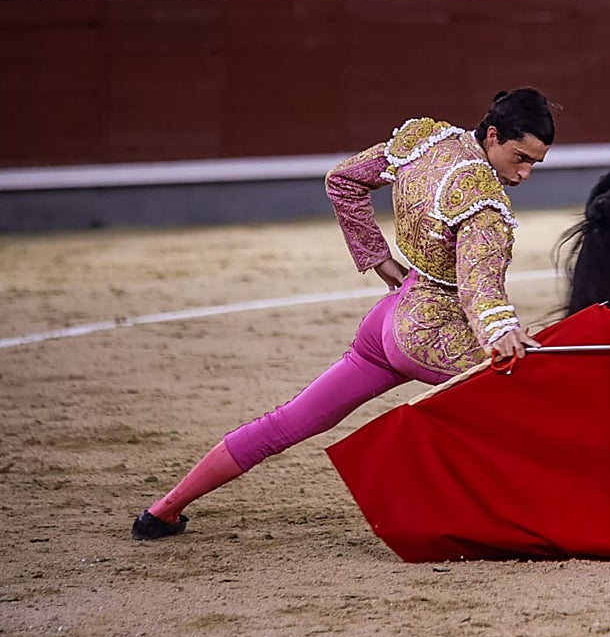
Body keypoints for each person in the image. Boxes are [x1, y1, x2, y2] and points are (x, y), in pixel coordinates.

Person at [130, 89, 556, 541]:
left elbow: (342, 180)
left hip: (387, 321)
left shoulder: (425, 142)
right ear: (492, 136)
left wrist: (378, 256)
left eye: (535, 163)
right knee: (533, 402)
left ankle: (164, 510)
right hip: (432, 332)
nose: (524, 173)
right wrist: (501, 330)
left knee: (286, 422)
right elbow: (477, 286)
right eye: (520, 157)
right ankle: (536, 517)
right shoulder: (484, 202)